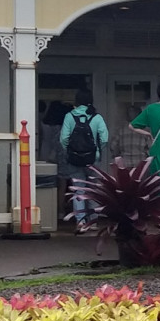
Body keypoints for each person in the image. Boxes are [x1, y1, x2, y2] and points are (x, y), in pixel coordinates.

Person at [59, 89, 108, 230]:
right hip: (93, 160)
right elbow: (104, 139)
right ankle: (93, 222)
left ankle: (80, 221)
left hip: (74, 159)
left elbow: (63, 139)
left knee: (78, 190)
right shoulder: (97, 117)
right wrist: (97, 151)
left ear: (77, 101)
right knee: (93, 190)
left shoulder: (69, 116)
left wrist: (70, 151)